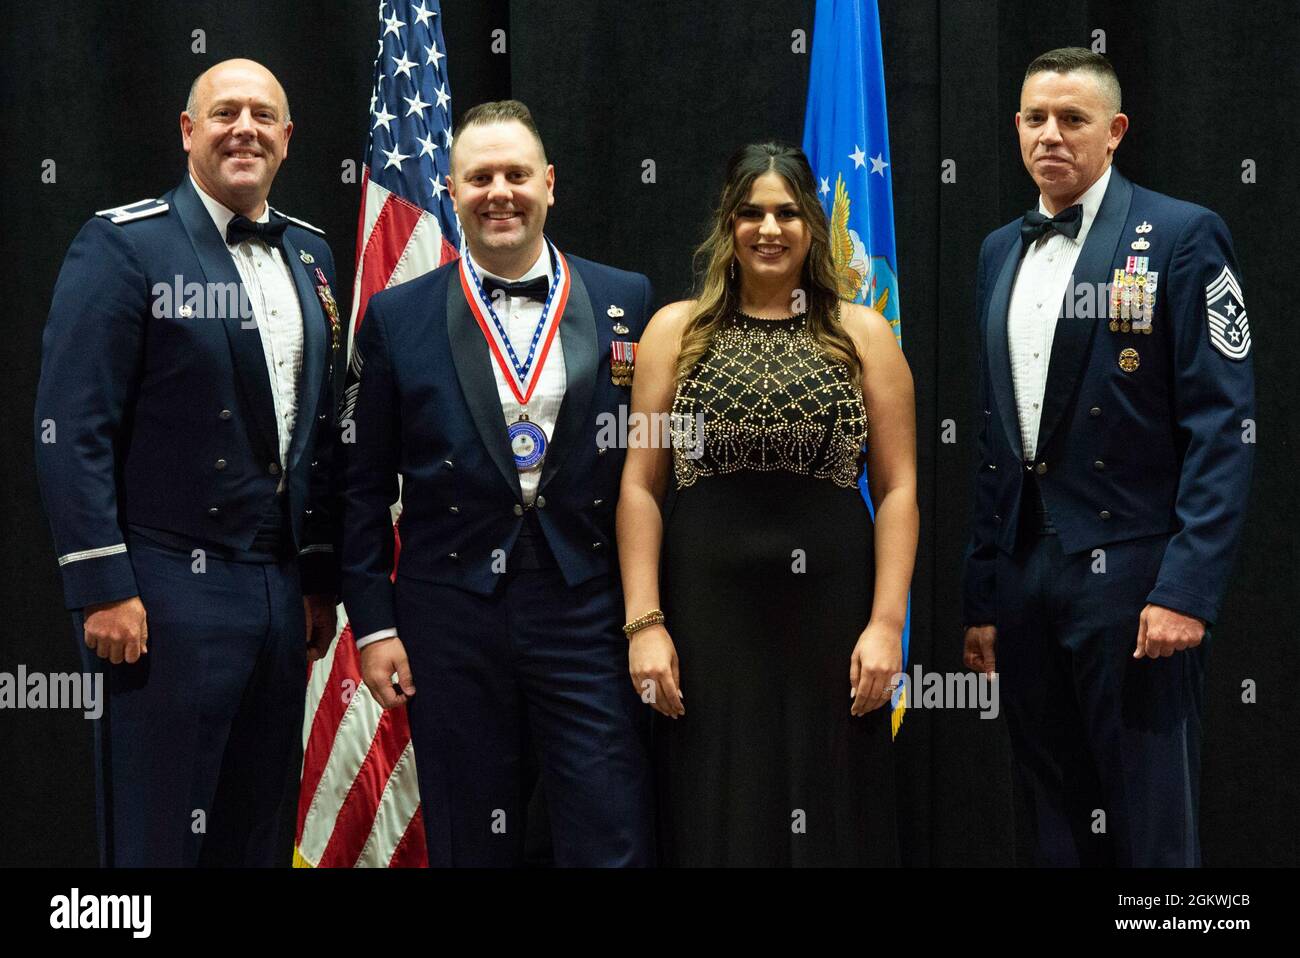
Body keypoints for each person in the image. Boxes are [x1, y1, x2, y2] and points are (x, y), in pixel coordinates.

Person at [34, 59, 344, 867]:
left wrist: (315, 576)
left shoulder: (312, 255)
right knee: (156, 834)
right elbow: (72, 428)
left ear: (286, 138)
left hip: (279, 593)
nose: (244, 127)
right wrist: (103, 582)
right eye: (223, 112)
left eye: (262, 115)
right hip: (162, 588)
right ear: (186, 131)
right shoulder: (124, 243)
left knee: (258, 829)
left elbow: (318, 431)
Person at [340, 100, 654, 867]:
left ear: (549, 184)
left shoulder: (628, 300)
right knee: (473, 835)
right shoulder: (395, 316)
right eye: (479, 177)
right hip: (449, 615)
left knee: (608, 828)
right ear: (452, 192)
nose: (499, 191)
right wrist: (375, 625)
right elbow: (360, 483)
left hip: (587, 608)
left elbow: (651, 466)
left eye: (517, 174)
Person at [962, 48, 1255, 867]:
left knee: (1152, 818)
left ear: (1115, 131)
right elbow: (995, 436)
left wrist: (1187, 588)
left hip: (1133, 576)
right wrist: (983, 593)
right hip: (1025, 574)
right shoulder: (997, 250)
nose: (1049, 135)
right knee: (1052, 814)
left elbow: (1222, 426)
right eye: (1034, 118)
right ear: (1016, 126)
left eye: (1072, 119)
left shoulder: (1183, 235)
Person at [617, 142, 917, 866]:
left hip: (831, 618)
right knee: (718, 800)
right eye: (750, 212)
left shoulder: (863, 334)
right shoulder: (675, 330)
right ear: (727, 222)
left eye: (786, 212)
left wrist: (886, 626)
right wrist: (644, 624)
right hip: (705, 621)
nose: (768, 229)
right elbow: (640, 487)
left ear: (812, 223)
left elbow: (901, 487)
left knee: (830, 799)